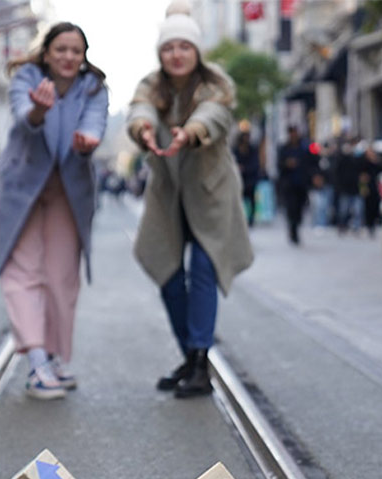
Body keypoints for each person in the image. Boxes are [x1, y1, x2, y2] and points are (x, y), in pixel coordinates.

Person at [127, 1, 253, 399]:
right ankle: (190, 354)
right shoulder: (151, 85)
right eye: (168, 48)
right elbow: (140, 109)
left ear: (196, 51)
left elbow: (215, 116)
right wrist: (143, 128)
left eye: (184, 46)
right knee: (165, 271)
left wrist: (189, 132)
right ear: (160, 54)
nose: (176, 54)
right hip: (168, 195)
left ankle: (200, 361)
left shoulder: (216, 85)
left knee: (203, 266)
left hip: (210, 194)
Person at [0, 22, 108, 400]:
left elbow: (95, 123)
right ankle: (37, 362)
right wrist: (39, 112)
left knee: (61, 276)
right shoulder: (28, 77)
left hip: (67, 190)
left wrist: (88, 143)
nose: (69, 57)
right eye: (61, 50)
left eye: (76, 51)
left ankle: (53, 357)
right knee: (22, 271)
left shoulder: (94, 88)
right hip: (22, 188)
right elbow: (25, 117)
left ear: (84, 56)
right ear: (47, 52)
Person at [276, 125, 311, 245]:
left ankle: (296, 227)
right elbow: (279, 165)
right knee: (291, 209)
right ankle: (293, 230)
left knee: (300, 209)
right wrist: (287, 164)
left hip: (301, 184)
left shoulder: (304, 147)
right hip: (289, 185)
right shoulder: (284, 149)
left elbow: (310, 162)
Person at [232, 126, 261, 227]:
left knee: (251, 200)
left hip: (250, 180)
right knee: (239, 201)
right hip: (239, 180)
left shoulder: (252, 149)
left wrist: (244, 168)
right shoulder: (236, 149)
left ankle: (251, 219)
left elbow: (255, 164)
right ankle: (240, 219)